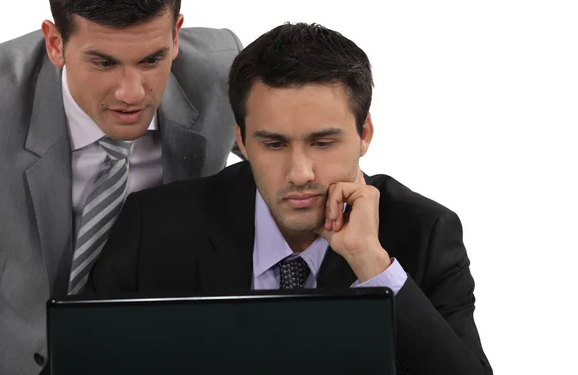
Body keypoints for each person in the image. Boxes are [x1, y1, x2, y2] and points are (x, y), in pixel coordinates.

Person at [91, 23, 492, 374]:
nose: (300, 173)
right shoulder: (155, 227)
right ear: (242, 141)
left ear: (364, 134)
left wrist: (373, 266)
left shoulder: (426, 233)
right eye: (274, 144)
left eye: (322, 142)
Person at [0, 0, 242, 373]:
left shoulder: (224, 74)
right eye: (103, 62)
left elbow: (307, 155)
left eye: (152, 59)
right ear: (55, 44)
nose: (131, 93)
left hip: (169, 349)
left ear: (176, 35)